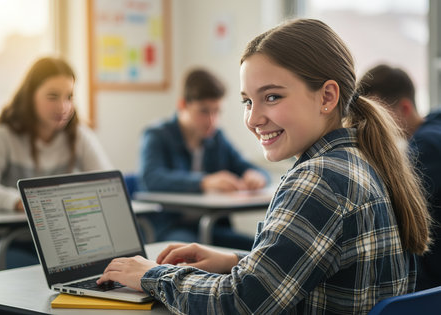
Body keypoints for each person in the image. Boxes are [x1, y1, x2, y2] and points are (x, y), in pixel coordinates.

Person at [98, 19, 431, 314]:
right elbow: (318, 273)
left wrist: (150, 275)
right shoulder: (363, 159)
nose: (253, 119)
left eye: (272, 97)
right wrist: (234, 262)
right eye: (247, 101)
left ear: (327, 97)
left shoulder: (319, 179)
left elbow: (240, 303)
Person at [0, 56, 112, 269]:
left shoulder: (79, 136)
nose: (63, 106)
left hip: (63, 243)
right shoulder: (3, 135)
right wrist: (21, 202)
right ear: (30, 96)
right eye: (52, 96)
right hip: (13, 241)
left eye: (69, 97)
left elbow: (108, 185)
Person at [137, 68, 269, 250]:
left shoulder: (217, 138)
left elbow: (248, 167)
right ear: (183, 105)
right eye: (204, 111)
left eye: (217, 112)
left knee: (260, 249)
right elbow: (151, 179)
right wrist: (204, 182)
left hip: (212, 227)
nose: (212, 121)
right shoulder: (157, 135)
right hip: (171, 227)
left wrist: (255, 175)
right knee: (188, 251)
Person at [358, 64, 441, 291]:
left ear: (405, 108)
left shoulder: (426, 147)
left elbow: (397, 212)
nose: (370, 124)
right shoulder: (434, 127)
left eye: (378, 115)